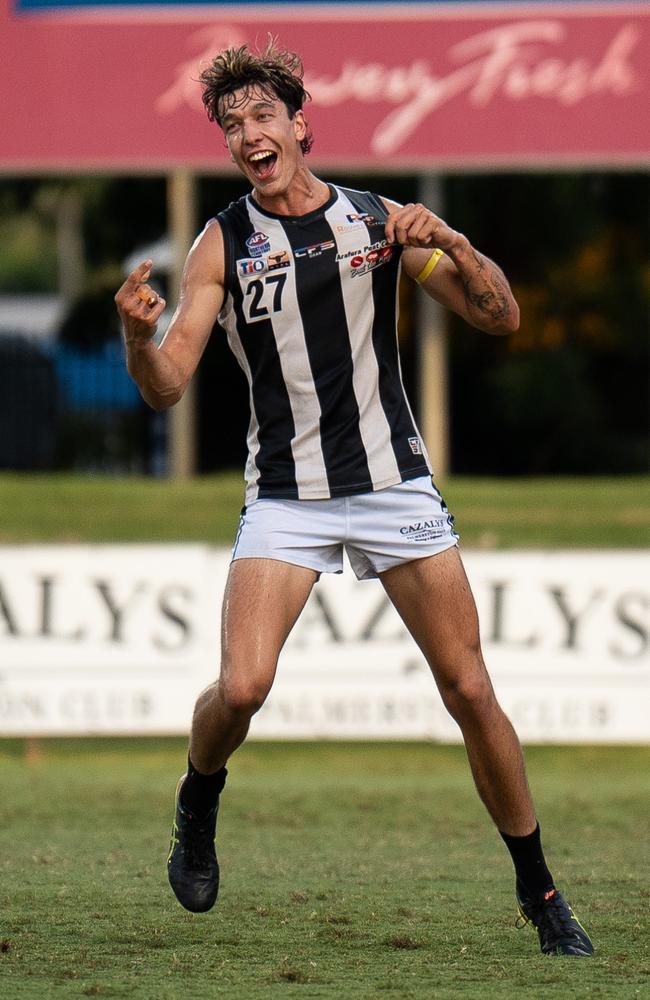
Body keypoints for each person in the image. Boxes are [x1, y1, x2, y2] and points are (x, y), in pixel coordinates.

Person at [115, 40, 593, 957]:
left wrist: (448, 237)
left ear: (300, 125)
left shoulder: (376, 222)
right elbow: (169, 382)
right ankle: (198, 793)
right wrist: (140, 341)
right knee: (245, 685)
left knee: (468, 687)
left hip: (391, 484)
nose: (248, 134)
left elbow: (500, 316)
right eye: (231, 124)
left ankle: (541, 891)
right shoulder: (223, 242)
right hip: (288, 496)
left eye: (262, 116)